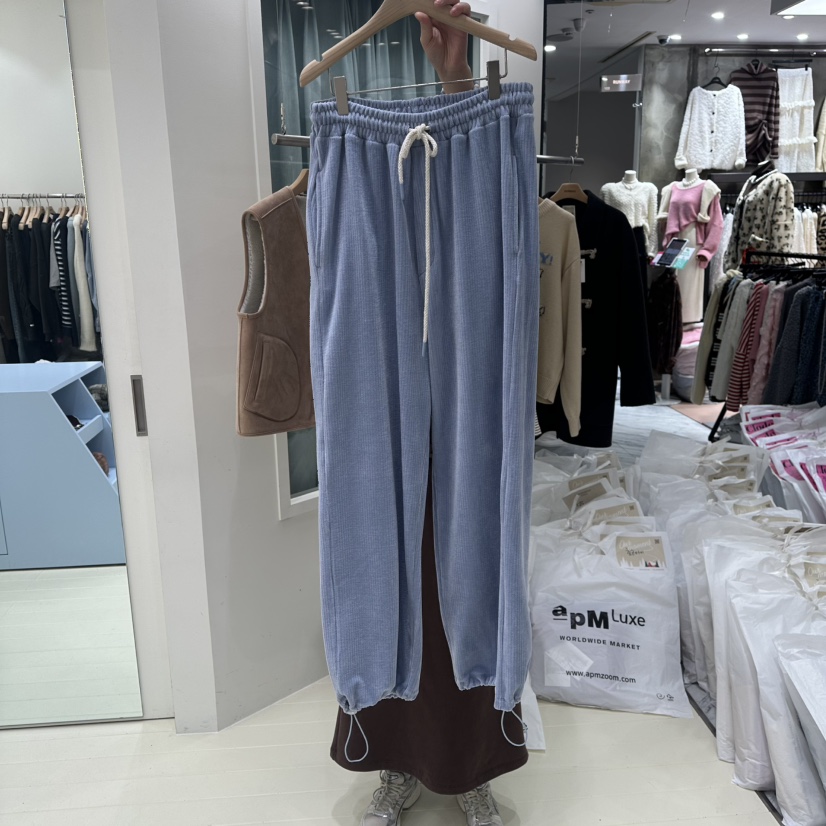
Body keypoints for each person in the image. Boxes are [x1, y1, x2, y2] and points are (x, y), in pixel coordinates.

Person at [324, 2, 530, 825]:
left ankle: (472, 767)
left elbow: (467, 158)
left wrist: (457, 78)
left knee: (471, 540)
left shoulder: (481, 139)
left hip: (470, 154)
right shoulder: (347, 147)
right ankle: (392, 766)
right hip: (364, 170)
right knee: (376, 545)